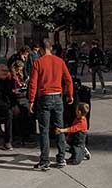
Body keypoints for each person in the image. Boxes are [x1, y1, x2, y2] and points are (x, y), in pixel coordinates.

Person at [28, 38, 74, 171]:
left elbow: (33, 83)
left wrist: (31, 100)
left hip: (44, 98)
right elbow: (68, 79)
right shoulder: (59, 61)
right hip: (58, 96)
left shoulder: (38, 62)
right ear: (51, 48)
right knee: (59, 128)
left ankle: (45, 161)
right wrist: (69, 95)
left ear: (41, 49)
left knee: (44, 131)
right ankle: (61, 159)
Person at [9, 60, 32, 145]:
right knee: (18, 117)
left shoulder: (19, 75)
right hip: (16, 99)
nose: (20, 71)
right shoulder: (12, 76)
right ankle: (19, 136)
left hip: (22, 97)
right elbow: (13, 88)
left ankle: (25, 136)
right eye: (19, 69)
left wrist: (24, 84)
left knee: (26, 116)